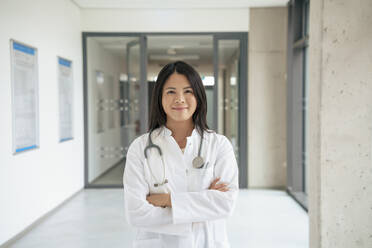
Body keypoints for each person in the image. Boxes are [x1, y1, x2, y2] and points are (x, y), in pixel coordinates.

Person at [123, 61, 239, 248]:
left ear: (199, 97)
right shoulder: (140, 148)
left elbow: (225, 204)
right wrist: (202, 206)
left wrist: (167, 200)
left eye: (188, 91)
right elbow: (136, 213)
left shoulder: (219, 145)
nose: (179, 99)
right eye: (171, 92)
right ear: (160, 97)